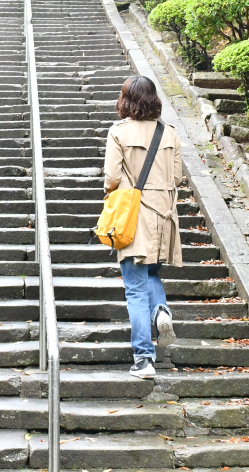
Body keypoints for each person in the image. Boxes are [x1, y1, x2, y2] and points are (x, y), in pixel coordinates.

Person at [104, 75, 182, 379]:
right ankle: (161, 310)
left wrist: (118, 189)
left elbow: (111, 176)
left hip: (133, 215)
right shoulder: (170, 133)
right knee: (151, 273)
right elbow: (176, 178)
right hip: (163, 214)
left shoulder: (118, 132)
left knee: (134, 288)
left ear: (125, 100)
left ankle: (144, 359)